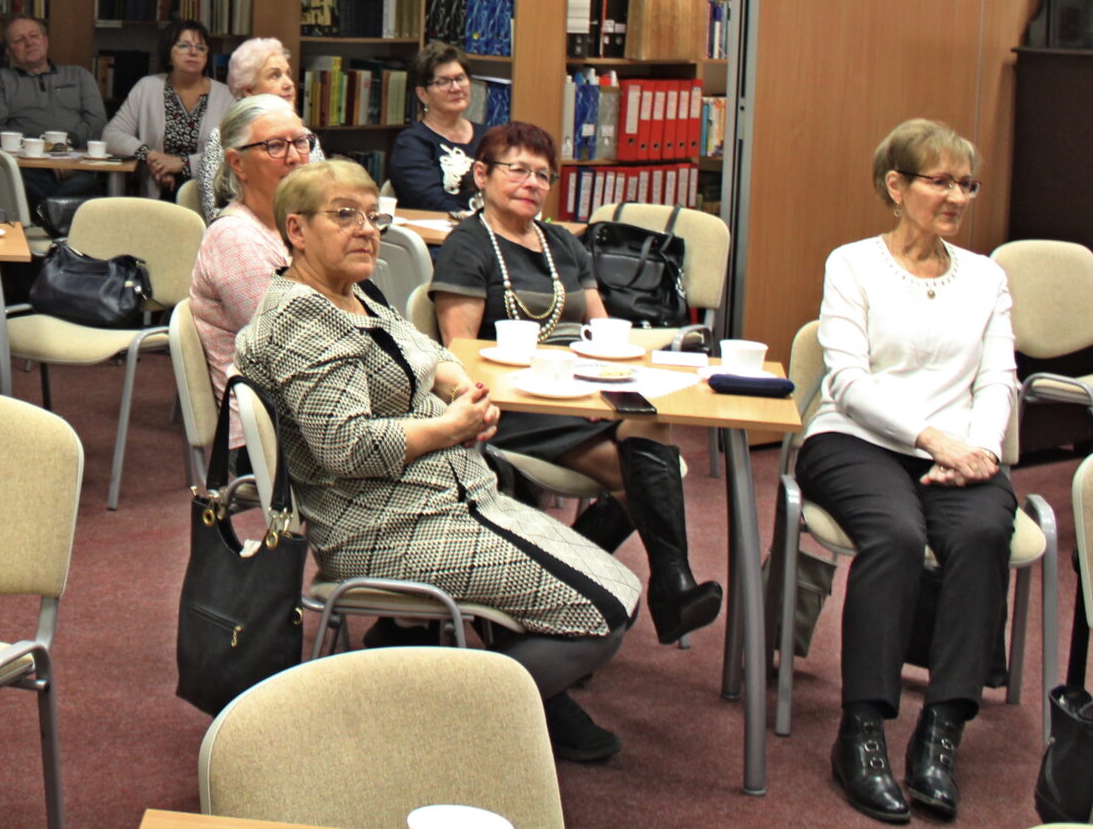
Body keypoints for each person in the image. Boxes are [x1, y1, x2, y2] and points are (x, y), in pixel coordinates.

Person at [234, 158, 639, 763]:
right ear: (296, 230)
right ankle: (435, 735)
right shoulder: (302, 320)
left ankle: (527, 705)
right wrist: (449, 427)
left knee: (620, 587)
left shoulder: (353, 294)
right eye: (344, 216)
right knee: (604, 612)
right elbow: (346, 445)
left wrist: (456, 389)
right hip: (385, 526)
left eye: (373, 216)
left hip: (448, 500)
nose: (366, 230)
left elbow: (424, 350)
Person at [798, 119, 1021, 827]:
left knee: (984, 531)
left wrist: (979, 447)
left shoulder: (987, 275)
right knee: (893, 534)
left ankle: (941, 733)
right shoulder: (853, 263)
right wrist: (931, 436)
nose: (955, 195)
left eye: (966, 183)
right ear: (895, 186)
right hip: (857, 437)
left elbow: (1000, 379)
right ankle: (861, 731)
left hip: (960, 448)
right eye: (938, 179)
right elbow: (849, 379)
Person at [427, 121, 721, 649]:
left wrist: (609, 379)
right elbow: (459, 353)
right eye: (517, 169)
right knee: (644, 477)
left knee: (648, 417)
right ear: (482, 174)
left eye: (543, 174)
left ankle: (614, 581)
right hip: (514, 401)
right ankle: (663, 584)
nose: (532, 183)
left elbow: (602, 330)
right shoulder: (467, 246)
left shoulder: (562, 242)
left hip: (579, 389)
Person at [185, 94, 308, 415]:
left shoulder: (300, 227)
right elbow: (287, 349)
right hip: (269, 428)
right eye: (275, 146)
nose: (295, 157)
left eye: (300, 142)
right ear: (237, 163)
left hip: (317, 405)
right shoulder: (235, 238)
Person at [0, 15, 107, 231]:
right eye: (19, 40)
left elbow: (97, 123)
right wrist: (47, 150)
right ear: (8, 51)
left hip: (76, 168)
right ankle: (56, 240)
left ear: (45, 41)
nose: (29, 43)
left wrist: (64, 149)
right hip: (25, 170)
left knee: (86, 187)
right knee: (20, 189)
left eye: (34, 36)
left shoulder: (79, 76)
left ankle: (45, 230)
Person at [105, 19, 233, 200]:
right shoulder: (147, 88)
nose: (193, 52)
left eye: (201, 48)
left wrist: (182, 164)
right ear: (168, 53)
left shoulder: (226, 96)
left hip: (207, 196)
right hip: (157, 191)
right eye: (184, 46)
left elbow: (232, 150)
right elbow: (111, 135)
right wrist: (151, 157)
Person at [190, 37, 311, 217]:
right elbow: (216, 211)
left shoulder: (304, 134)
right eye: (275, 75)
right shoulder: (223, 137)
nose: (289, 84)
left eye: (288, 73)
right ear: (248, 91)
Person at [388, 42, 478, 213]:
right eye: (443, 82)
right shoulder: (411, 143)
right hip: (440, 234)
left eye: (460, 78)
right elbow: (430, 202)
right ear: (423, 94)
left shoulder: (491, 138)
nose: (456, 88)